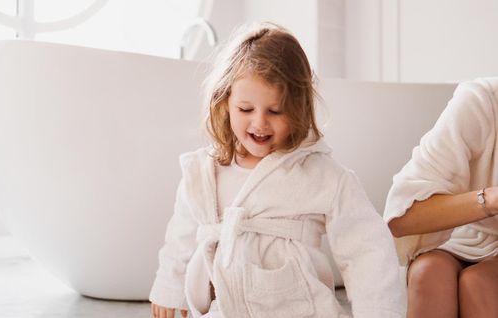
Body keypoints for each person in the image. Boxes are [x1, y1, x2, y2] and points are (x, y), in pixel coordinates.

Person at [149, 22, 405, 318]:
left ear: (298, 109)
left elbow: (367, 250)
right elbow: (181, 236)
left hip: (300, 309)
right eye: (246, 109)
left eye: (275, 111)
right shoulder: (203, 172)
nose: (259, 123)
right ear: (225, 102)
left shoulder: (321, 174)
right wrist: (170, 287)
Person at [384, 77, 498, 318]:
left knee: (478, 284)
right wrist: (490, 199)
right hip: (466, 236)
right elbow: (401, 217)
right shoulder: (481, 100)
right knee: (429, 273)